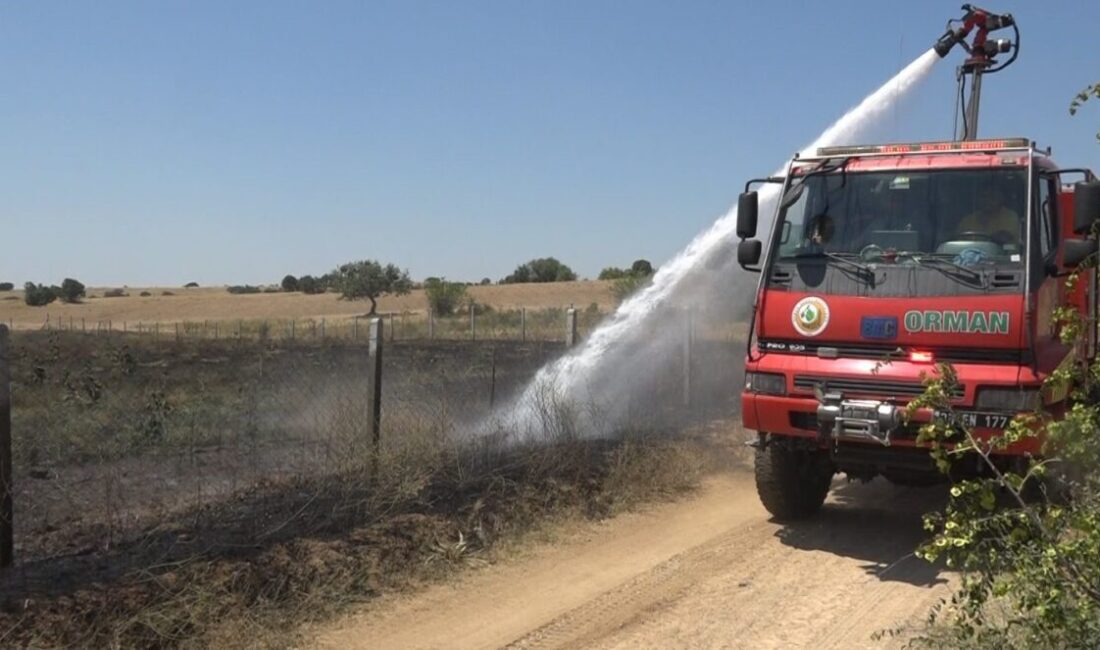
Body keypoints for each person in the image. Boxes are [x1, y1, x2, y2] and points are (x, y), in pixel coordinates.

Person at [956, 183, 1020, 245]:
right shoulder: (968, 220)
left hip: (1001, 255)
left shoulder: (1010, 217)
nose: (987, 200)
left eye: (992, 196)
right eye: (984, 196)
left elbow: (1004, 237)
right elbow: (957, 240)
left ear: (1001, 198)